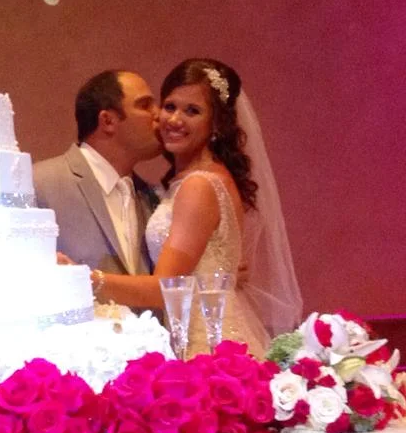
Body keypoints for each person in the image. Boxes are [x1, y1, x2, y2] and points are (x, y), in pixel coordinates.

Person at [85, 58, 302, 355]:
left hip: (206, 345)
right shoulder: (191, 181)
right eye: (170, 106)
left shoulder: (199, 185)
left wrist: (89, 280)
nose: (175, 120)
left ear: (216, 124)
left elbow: (166, 287)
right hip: (194, 334)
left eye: (192, 111)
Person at [33, 70, 162, 277]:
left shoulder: (153, 196)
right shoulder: (40, 183)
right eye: (145, 105)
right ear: (107, 121)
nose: (160, 115)